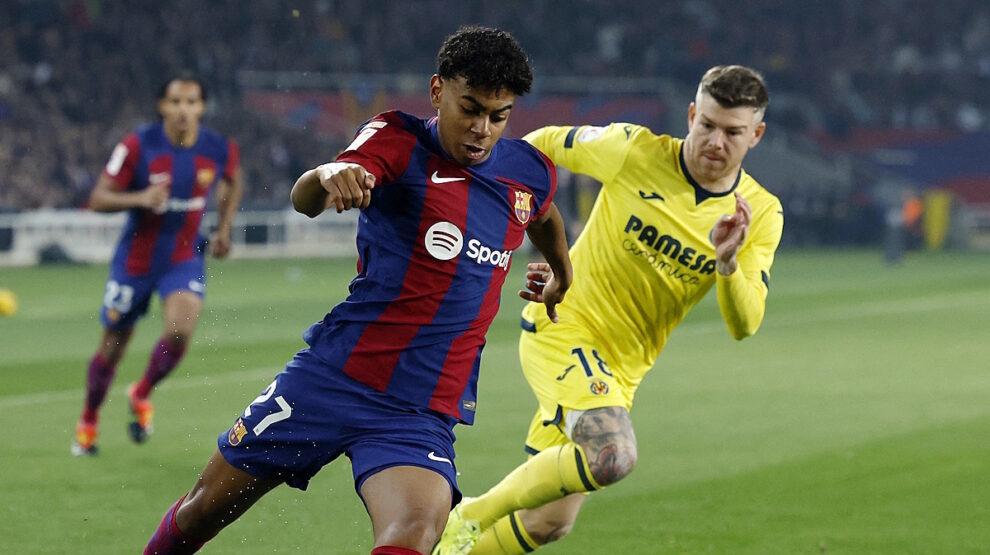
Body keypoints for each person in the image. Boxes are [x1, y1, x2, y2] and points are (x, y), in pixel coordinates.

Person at [143, 26, 573, 555]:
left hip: (419, 412)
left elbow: (543, 216)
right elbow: (308, 198)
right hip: (332, 377)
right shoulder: (396, 138)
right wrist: (327, 174)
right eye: (470, 109)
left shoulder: (528, 171)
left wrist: (563, 272)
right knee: (203, 509)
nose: (482, 129)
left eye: (498, 116)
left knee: (414, 533)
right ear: (437, 91)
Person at [433, 65, 784, 554]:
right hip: (565, 325)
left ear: (756, 135)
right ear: (690, 115)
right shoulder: (633, 149)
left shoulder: (760, 212)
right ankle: (468, 515)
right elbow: (539, 145)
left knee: (549, 521)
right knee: (612, 454)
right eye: (706, 125)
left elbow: (745, 325)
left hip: (622, 369)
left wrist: (727, 263)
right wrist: (532, 232)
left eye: (732, 132)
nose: (715, 142)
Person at [72, 76, 242, 456]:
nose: (183, 110)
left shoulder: (218, 147)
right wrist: (140, 197)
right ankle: (89, 419)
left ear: (202, 107)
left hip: (183, 257)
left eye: (192, 102)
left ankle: (142, 391)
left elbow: (233, 179)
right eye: (176, 101)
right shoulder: (138, 145)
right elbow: (98, 199)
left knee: (180, 331)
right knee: (113, 347)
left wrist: (224, 228)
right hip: (136, 261)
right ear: (162, 106)